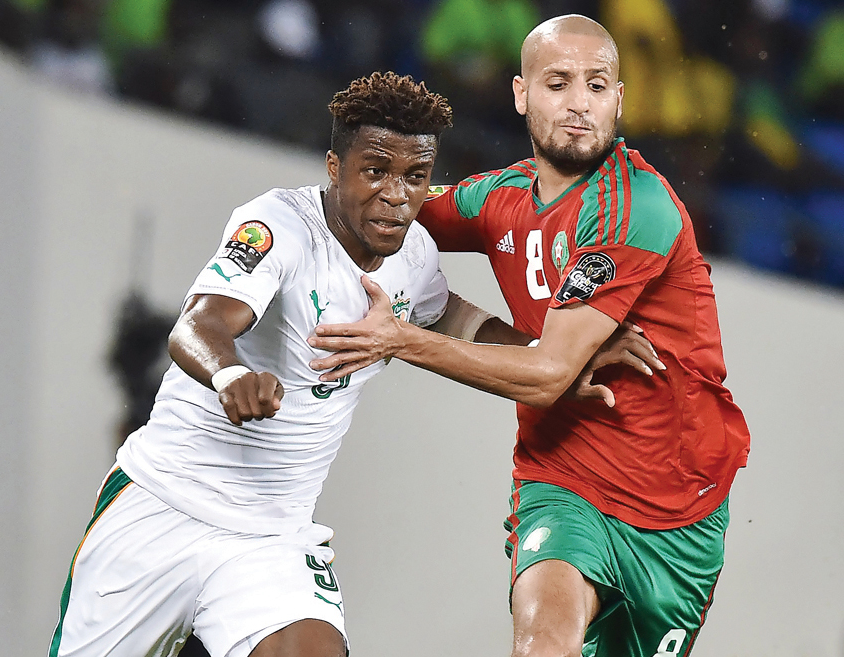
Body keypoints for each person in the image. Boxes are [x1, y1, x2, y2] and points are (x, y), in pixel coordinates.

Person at [48, 70, 659, 657]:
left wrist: (557, 357)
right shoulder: (278, 225)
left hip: (271, 540)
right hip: (162, 507)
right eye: (375, 171)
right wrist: (231, 375)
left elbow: (458, 321)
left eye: (416, 177)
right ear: (334, 167)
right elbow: (198, 324)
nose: (396, 195)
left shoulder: (413, 254)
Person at [308, 16, 751, 657]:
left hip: (678, 513)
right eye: (558, 83)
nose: (579, 104)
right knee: (543, 646)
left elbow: (549, 376)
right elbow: (381, 206)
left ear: (619, 99)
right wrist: (287, 225)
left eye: (596, 85)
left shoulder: (637, 207)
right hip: (562, 480)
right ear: (521, 94)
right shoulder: (501, 198)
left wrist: (398, 338)